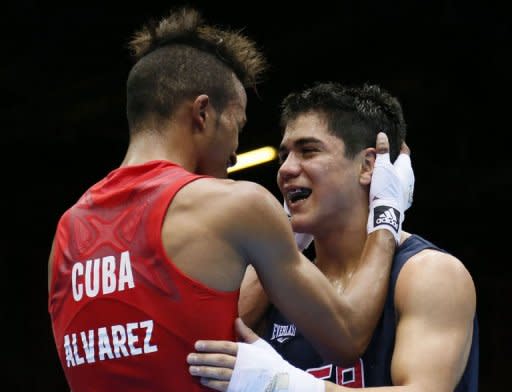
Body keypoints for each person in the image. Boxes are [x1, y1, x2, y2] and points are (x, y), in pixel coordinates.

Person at [47, 8, 414, 392]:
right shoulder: (234, 204)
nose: (236, 152)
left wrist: (283, 240)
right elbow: (348, 334)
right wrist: (387, 214)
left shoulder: (66, 234)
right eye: (237, 126)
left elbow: (188, 326)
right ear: (203, 113)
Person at [187, 82, 479, 392]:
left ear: (368, 166)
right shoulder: (284, 284)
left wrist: (281, 385)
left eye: (308, 151)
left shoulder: (430, 274)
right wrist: (285, 242)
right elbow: (201, 349)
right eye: (284, 156)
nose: (285, 169)